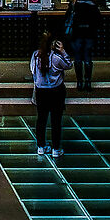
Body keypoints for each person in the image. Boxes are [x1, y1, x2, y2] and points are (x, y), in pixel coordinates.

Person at [30, 23, 71, 158]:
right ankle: (56, 148)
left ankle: (41, 146)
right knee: (56, 120)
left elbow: (32, 71)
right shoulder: (56, 58)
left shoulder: (36, 56)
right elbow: (68, 65)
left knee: (41, 119)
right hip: (56, 91)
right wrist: (63, 51)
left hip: (41, 91)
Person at [65, 0, 102, 91]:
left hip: (76, 34)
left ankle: (79, 82)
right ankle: (88, 82)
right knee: (87, 58)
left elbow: (67, 18)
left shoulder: (73, 4)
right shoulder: (93, 5)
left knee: (77, 58)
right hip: (90, 34)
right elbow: (99, 20)